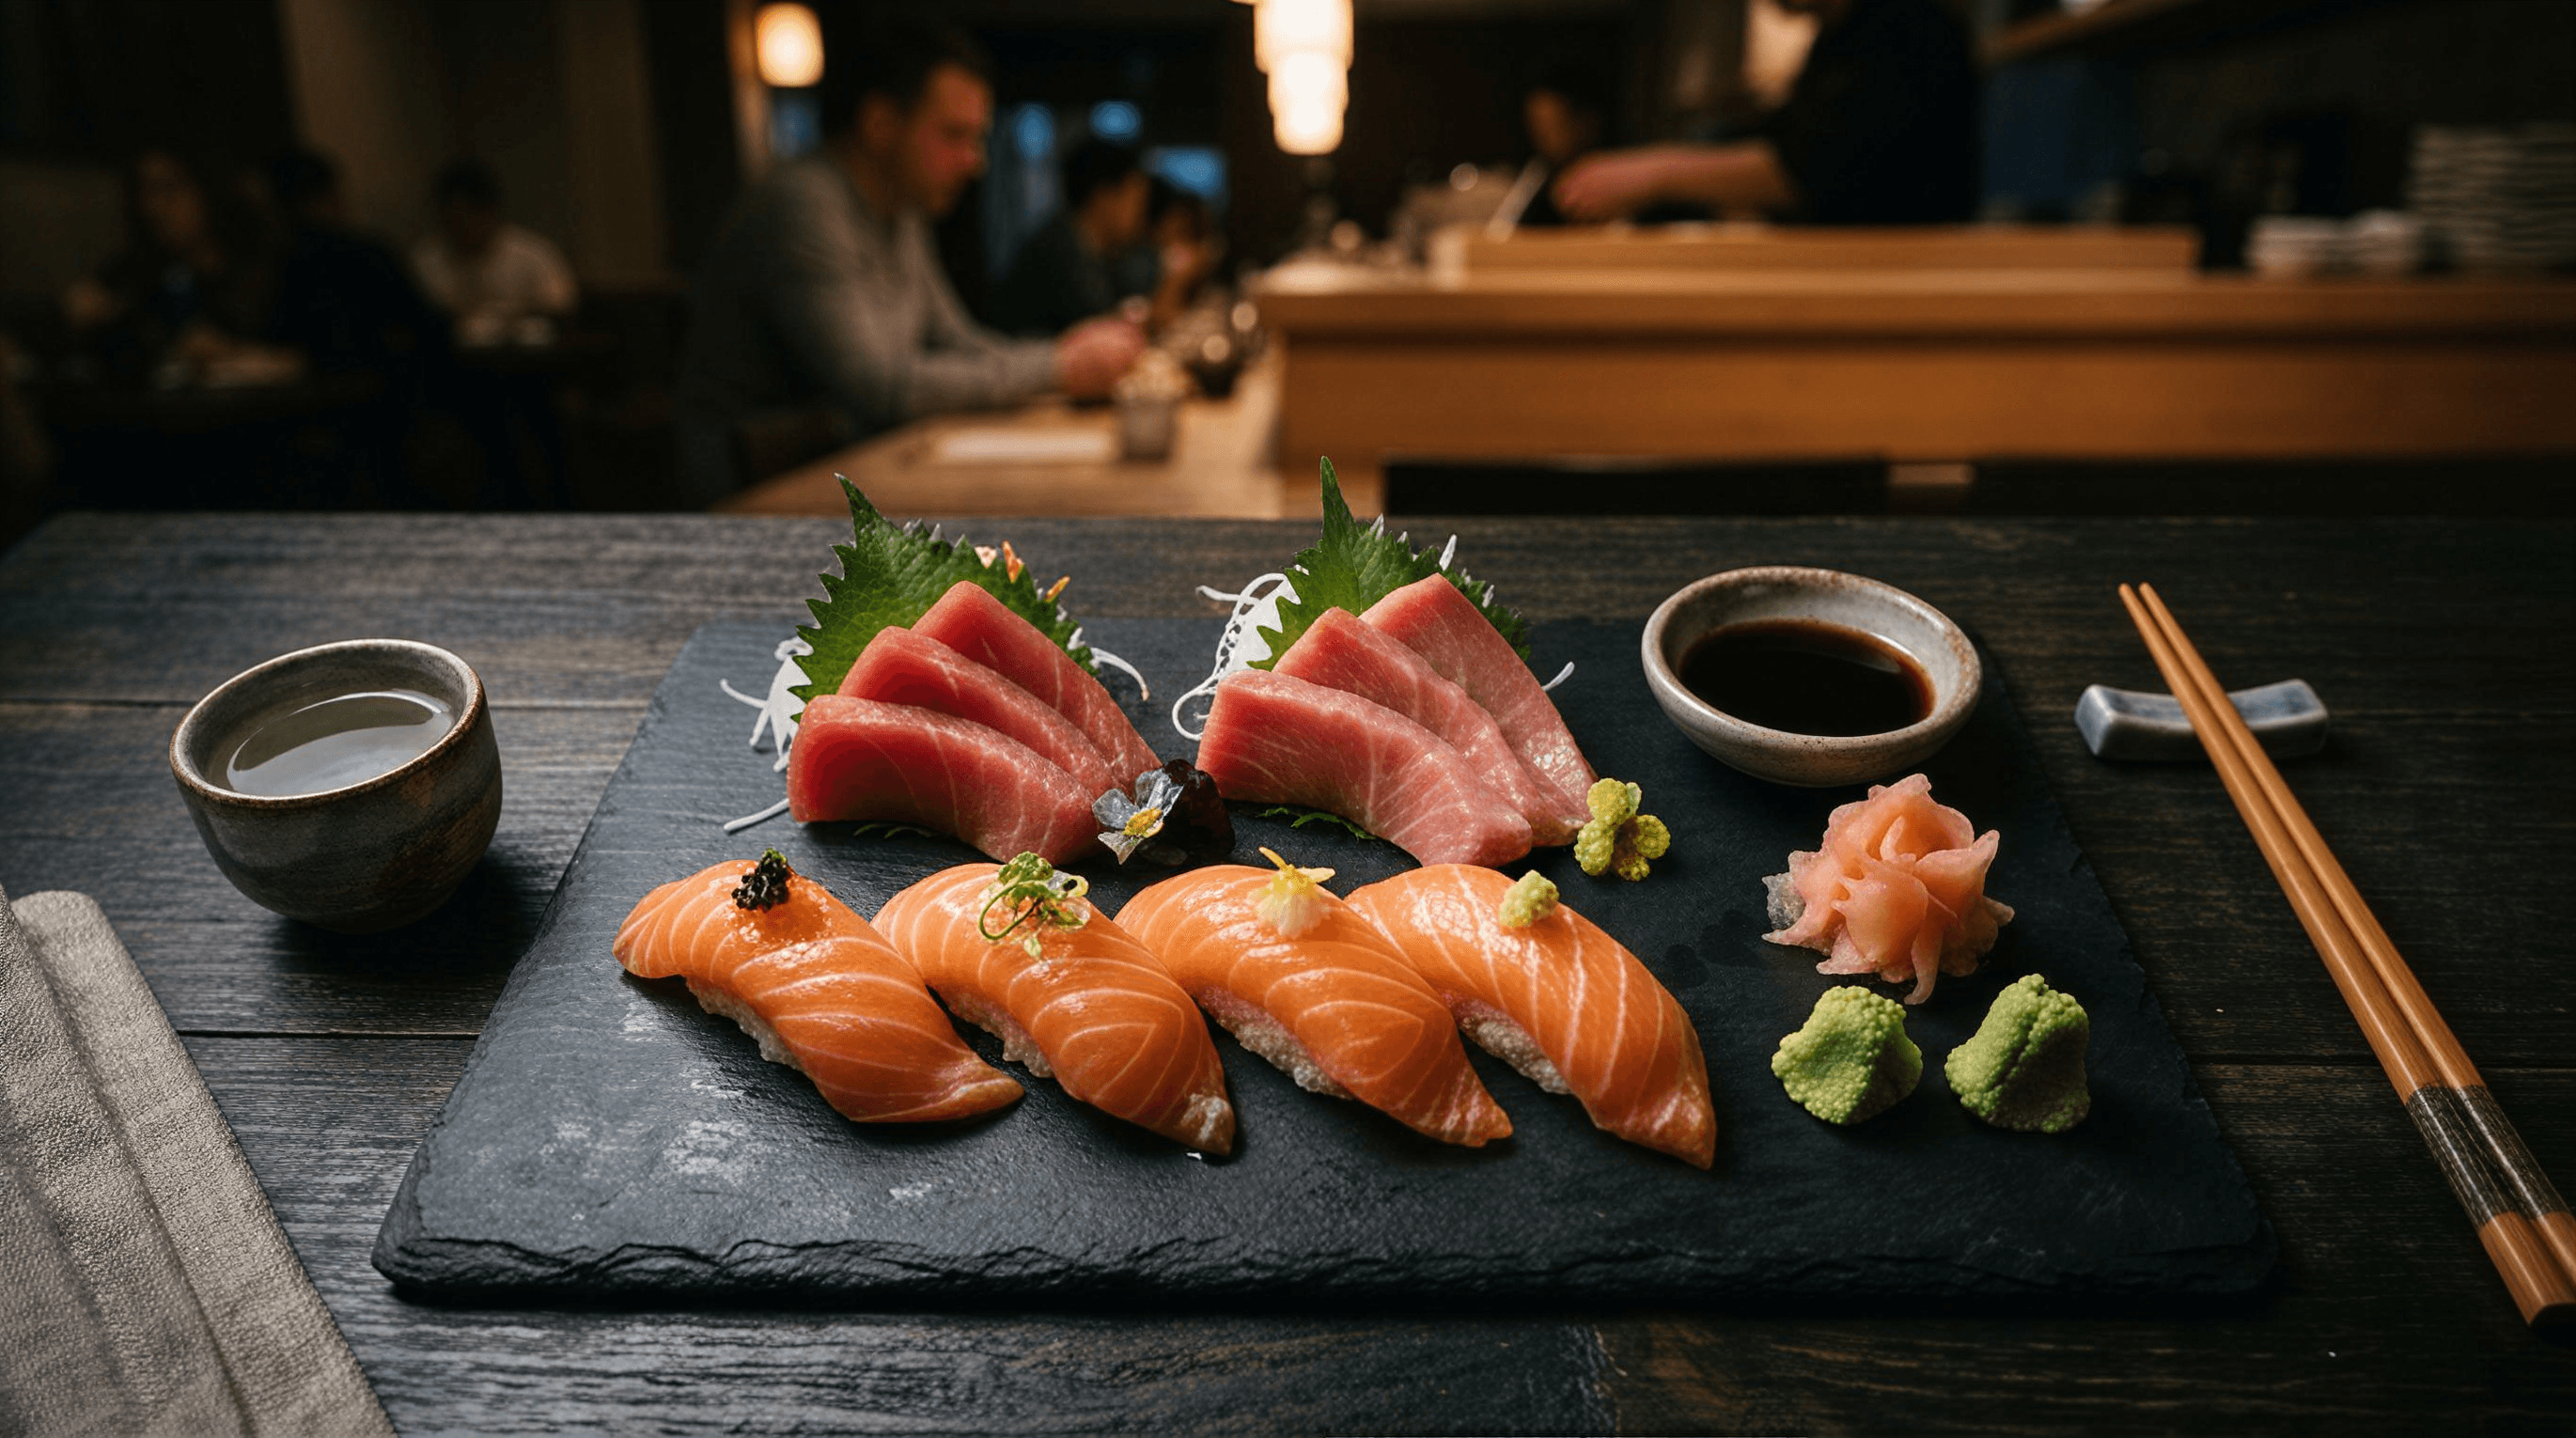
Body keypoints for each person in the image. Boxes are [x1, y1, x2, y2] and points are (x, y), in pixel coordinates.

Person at [675, 18, 1142, 503]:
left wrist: (1066, 355)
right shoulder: (802, 206)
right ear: (880, 124)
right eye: (954, 135)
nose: (975, 160)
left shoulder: (903, 213)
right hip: (753, 498)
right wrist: (1057, 366)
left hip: (850, 472)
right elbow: (881, 388)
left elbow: (958, 343)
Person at [1552, 0, 1977, 227]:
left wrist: (1655, 175)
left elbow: (1808, 170)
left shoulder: (1907, 30)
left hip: (1906, 299)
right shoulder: (1835, 40)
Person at [62, 148, 293, 385]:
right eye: (144, 192)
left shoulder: (271, 266)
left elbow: (305, 356)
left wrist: (238, 354)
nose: (151, 207)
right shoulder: (139, 270)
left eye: (169, 189)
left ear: (209, 189)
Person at [411, 161, 579, 344]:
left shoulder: (531, 252)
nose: (463, 228)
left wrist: (507, 318)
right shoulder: (426, 259)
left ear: (492, 212)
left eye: (469, 217)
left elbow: (561, 306)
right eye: (453, 221)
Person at [1497, 62, 1615, 230]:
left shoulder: (1612, 175)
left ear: (1587, 122)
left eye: (1554, 127)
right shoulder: (1537, 177)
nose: (1543, 140)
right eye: (1536, 127)